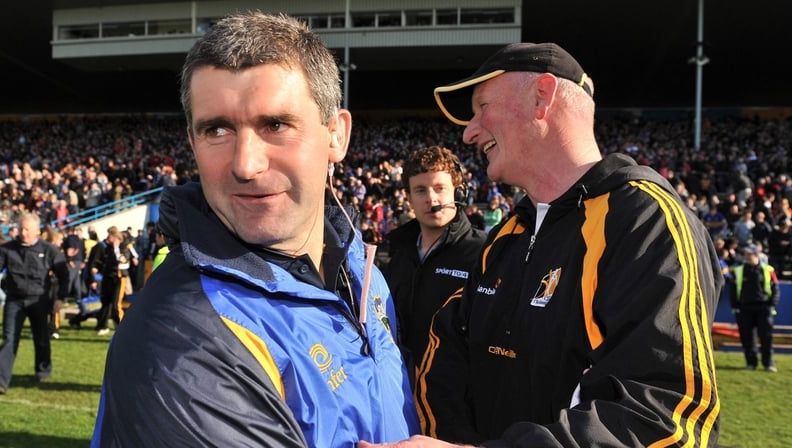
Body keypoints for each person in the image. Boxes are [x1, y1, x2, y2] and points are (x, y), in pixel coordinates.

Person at [362, 42, 723, 447]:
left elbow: (664, 418)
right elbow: (445, 359)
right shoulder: (507, 237)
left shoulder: (644, 220)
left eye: (482, 106)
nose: (469, 132)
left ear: (542, 97)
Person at [91, 11, 418, 447]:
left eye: (276, 125)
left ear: (337, 134)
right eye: (217, 129)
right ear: (192, 142)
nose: (246, 164)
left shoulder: (362, 270)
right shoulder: (182, 337)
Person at [383, 146, 486, 384]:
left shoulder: (483, 252)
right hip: (403, 394)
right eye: (421, 190)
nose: (431, 199)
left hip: (460, 404)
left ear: (457, 194)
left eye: (440, 188)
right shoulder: (395, 253)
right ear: (408, 198)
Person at [0, 213, 69, 394]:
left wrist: (61, 298)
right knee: (9, 338)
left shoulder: (49, 250)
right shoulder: (7, 249)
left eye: (27, 229)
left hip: (39, 300)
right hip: (15, 300)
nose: (23, 233)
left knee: (41, 336)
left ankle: (43, 370)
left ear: (37, 231)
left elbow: (63, 274)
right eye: (21, 229)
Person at [730, 244, 780, 372]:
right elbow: (733, 290)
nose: (747, 256)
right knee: (747, 338)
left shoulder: (768, 270)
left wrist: (771, 305)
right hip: (745, 308)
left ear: (757, 255)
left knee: (766, 337)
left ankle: (768, 364)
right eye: (745, 254)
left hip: (763, 308)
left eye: (750, 254)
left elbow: (776, 290)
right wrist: (736, 307)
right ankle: (751, 364)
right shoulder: (739, 270)